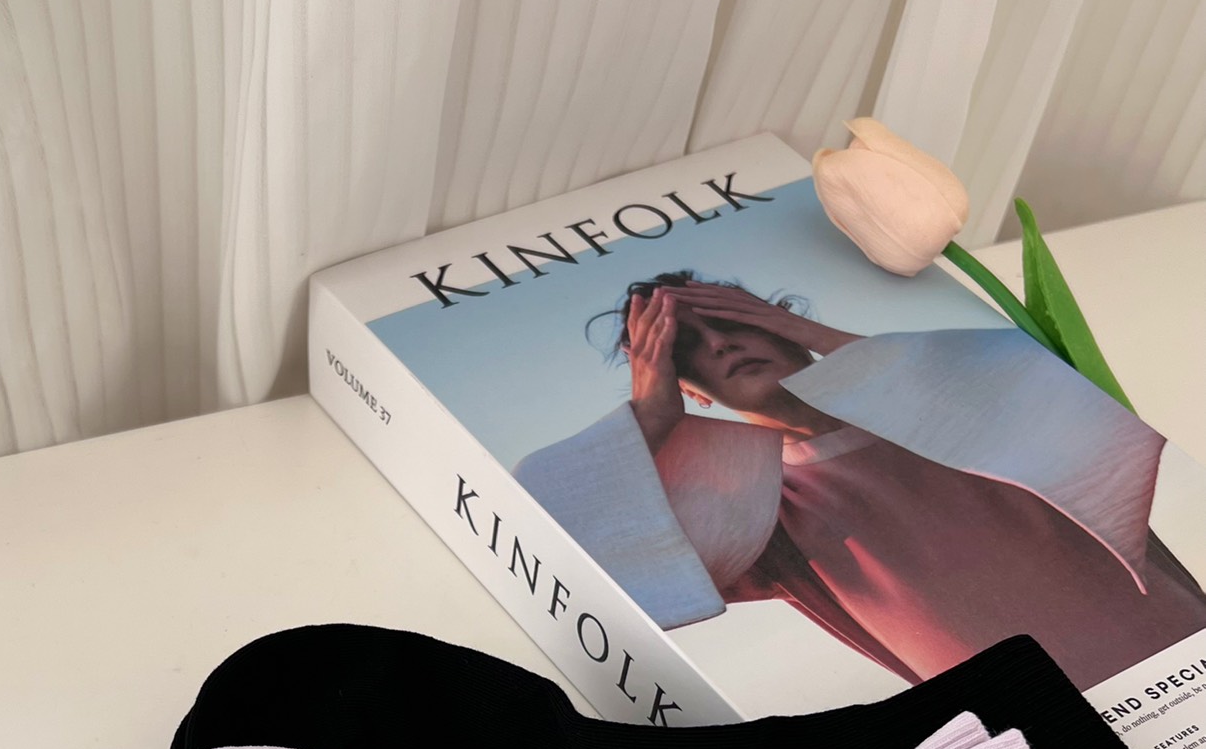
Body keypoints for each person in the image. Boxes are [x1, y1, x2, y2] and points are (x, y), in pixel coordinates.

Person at [514, 273, 1206, 689]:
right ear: (687, 387)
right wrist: (649, 417)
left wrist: (814, 334)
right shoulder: (756, 516)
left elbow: (1054, 388)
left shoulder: (960, 409)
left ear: (778, 321)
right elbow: (567, 567)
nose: (720, 343)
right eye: (685, 348)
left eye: (727, 319)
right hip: (1049, 739)